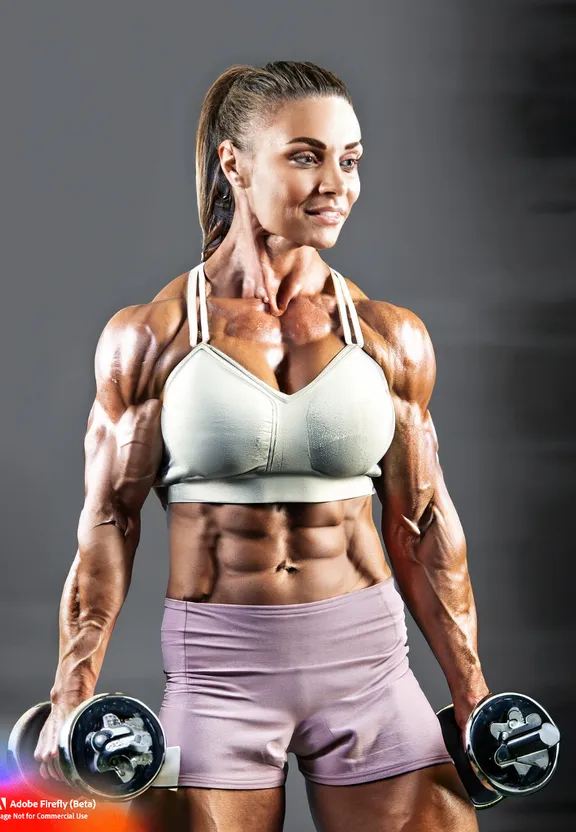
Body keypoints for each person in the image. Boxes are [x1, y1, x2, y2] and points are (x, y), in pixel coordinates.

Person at [34, 61, 488, 831]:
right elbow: (109, 522)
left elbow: (424, 525)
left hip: (371, 670)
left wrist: (473, 695)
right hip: (221, 677)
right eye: (306, 156)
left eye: (350, 160)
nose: (336, 183)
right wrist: (72, 691)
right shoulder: (151, 336)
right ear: (234, 163)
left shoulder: (389, 336)